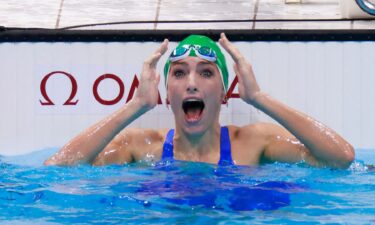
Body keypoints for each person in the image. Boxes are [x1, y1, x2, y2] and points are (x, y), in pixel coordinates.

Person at [44, 33, 355, 169]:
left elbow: (341, 158)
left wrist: (259, 98)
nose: (191, 84)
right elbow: (59, 167)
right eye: (179, 73)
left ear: (223, 92)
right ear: (167, 93)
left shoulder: (253, 142)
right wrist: (136, 106)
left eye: (206, 73)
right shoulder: (143, 148)